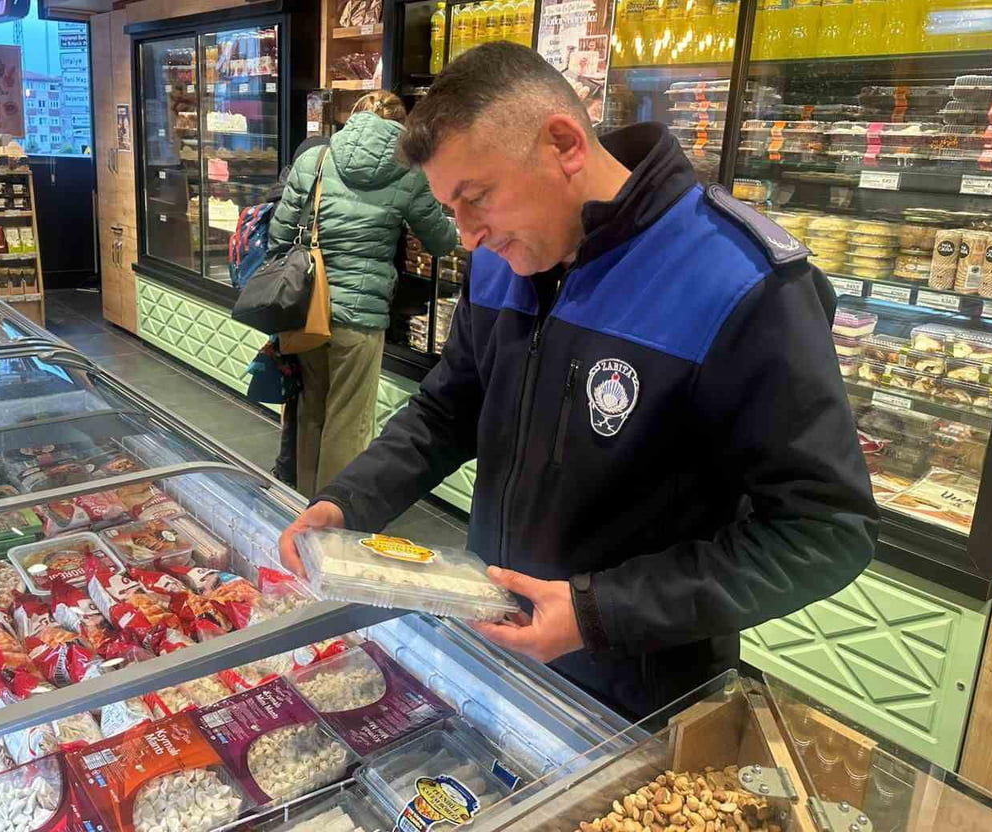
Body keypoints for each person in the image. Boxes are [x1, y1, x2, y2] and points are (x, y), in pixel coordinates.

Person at [280, 43, 878, 720]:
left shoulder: (741, 281)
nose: (469, 237)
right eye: (451, 209)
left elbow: (825, 530)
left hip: (640, 693)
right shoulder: (501, 261)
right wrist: (350, 502)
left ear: (563, 144)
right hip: (494, 645)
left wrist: (599, 612)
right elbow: (451, 407)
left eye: (476, 199)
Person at [268, 90, 458, 497]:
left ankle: (303, 506)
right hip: (362, 314)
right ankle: (334, 521)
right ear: (401, 126)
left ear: (352, 118)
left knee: (312, 408)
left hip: (307, 307)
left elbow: (279, 234)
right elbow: (441, 241)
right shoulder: (409, 171)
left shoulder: (315, 159)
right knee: (348, 418)